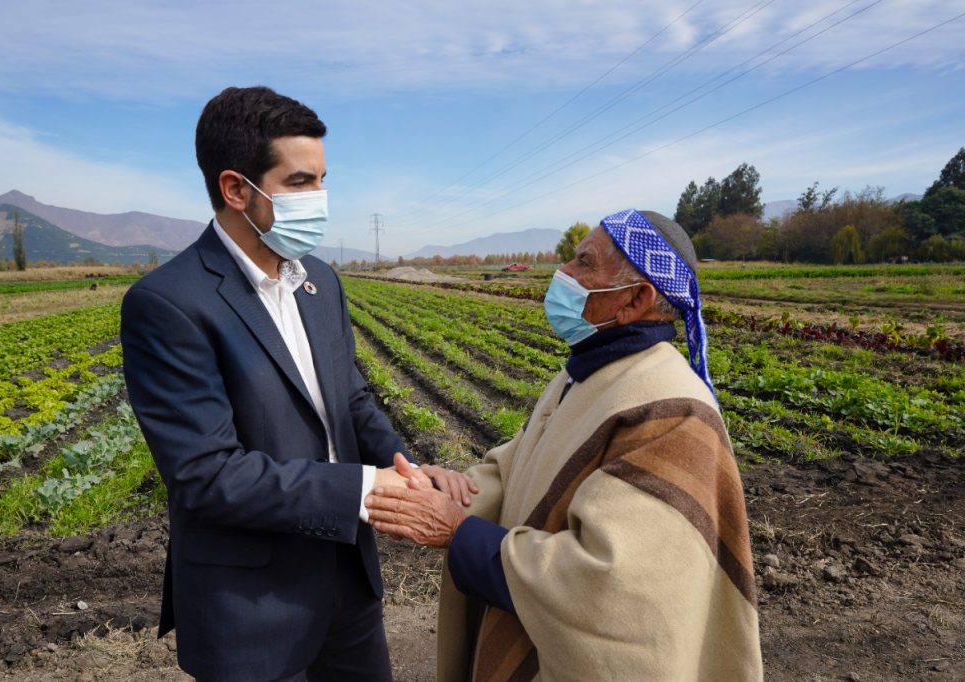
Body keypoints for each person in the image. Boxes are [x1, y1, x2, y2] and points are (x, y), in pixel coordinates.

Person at [120, 86, 475, 682]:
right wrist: (368, 488)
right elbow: (207, 475)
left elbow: (350, 400)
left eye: (322, 180)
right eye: (301, 182)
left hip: (348, 583)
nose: (320, 199)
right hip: (252, 607)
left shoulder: (321, 282)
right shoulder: (168, 303)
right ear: (236, 189)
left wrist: (409, 471)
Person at [367, 209, 763, 681]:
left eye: (584, 263)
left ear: (635, 299)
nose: (563, 272)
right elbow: (516, 470)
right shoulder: (589, 372)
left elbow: (609, 586)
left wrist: (459, 532)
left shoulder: (671, 411)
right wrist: (439, 488)